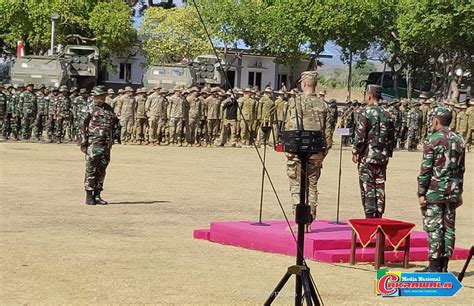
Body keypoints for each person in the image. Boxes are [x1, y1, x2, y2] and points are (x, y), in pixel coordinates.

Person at [416, 107, 465, 272]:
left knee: (435, 227)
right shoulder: (459, 139)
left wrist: (421, 193)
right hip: (453, 191)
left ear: (436, 120)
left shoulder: (433, 140)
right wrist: (460, 192)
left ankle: (434, 265)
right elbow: (461, 169)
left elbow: (426, 170)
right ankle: (444, 265)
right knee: (449, 227)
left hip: (435, 191)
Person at [284, 71, 333, 231]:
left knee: (297, 185)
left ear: (303, 84)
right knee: (312, 186)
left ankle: (299, 221)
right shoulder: (323, 105)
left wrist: (289, 150)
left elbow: (290, 126)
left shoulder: (295, 102)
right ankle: (309, 222)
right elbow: (328, 134)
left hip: (298, 152)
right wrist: (322, 153)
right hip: (316, 153)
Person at [352, 85, 390, 218]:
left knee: (367, 185)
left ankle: (369, 217)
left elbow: (360, 136)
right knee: (379, 185)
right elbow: (391, 138)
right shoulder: (387, 113)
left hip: (367, 157)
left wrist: (355, 151)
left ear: (369, 96)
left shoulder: (365, 112)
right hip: (382, 157)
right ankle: (379, 214)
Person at [78, 86, 118, 205]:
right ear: (94, 96)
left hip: (106, 144)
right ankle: (89, 195)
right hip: (93, 144)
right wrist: (83, 142)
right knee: (91, 170)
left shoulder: (108, 109)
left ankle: (97, 194)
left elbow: (114, 124)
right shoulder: (89, 108)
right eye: (100, 96)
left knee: (101, 170)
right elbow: (81, 125)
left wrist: (114, 136)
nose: (102, 98)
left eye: (103, 96)